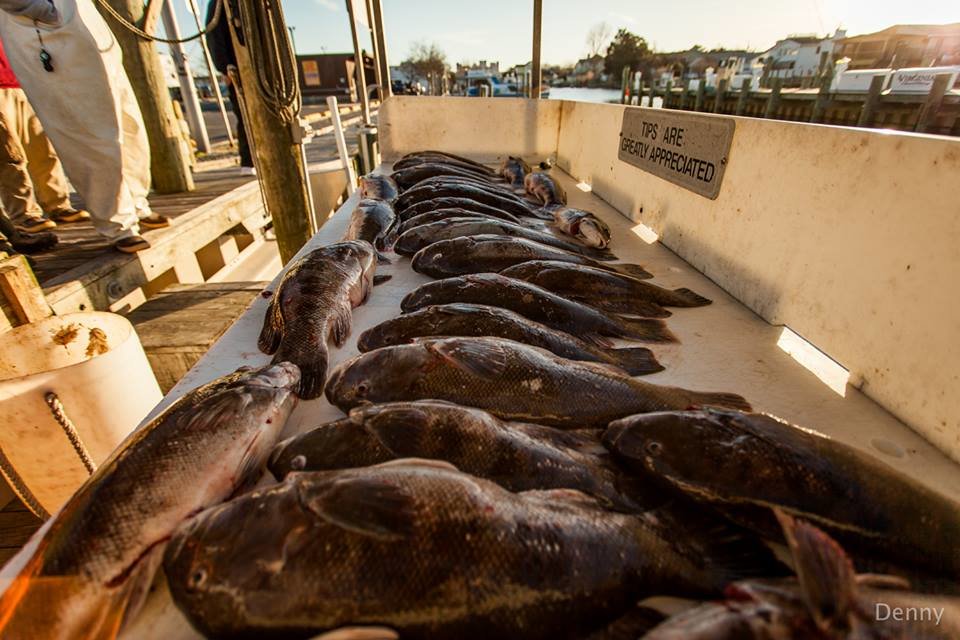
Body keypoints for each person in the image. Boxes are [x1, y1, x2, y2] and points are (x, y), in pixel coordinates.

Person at [0, 0, 171, 254]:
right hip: (47, 29)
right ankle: (117, 223)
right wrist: (44, 12)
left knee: (127, 121)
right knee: (87, 131)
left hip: (83, 19)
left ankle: (136, 203)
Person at [0, 35, 90, 234]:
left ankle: (58, 205)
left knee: (43, 148)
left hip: (22, 82)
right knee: (11, 156)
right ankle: (24, 215)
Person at [205, 0, 254, 176]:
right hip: (238, 69)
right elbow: (214, 35)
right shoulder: (221, 4)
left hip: (262, 69)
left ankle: (266, 158)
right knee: (246, 117)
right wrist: (224, 66)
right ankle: (249, 162)